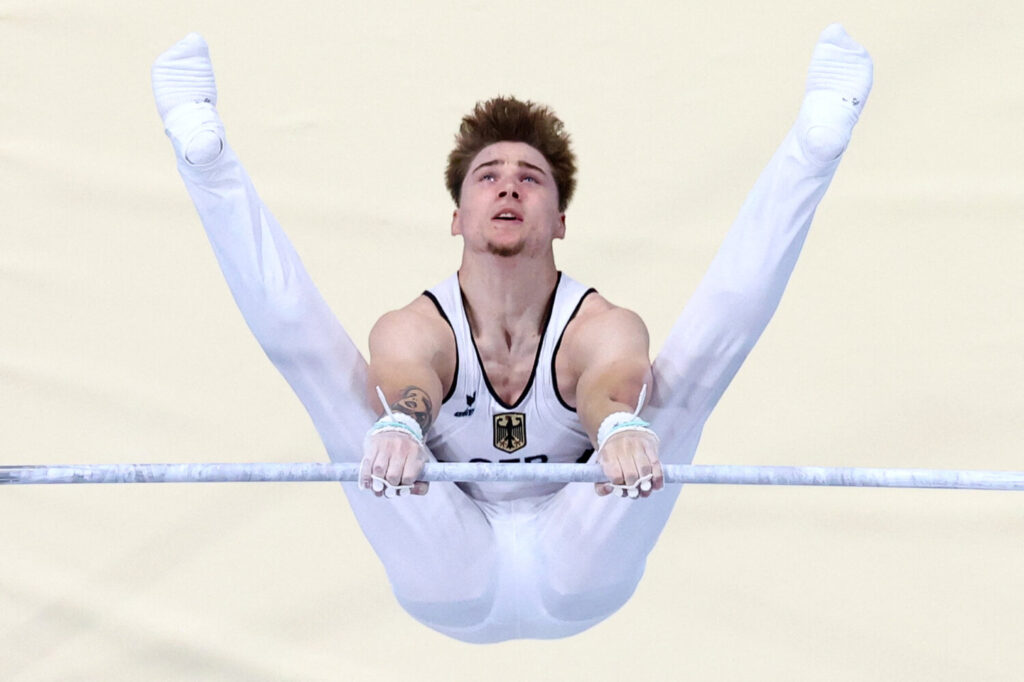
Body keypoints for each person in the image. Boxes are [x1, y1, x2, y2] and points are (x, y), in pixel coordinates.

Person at [151, 24, 872, 642]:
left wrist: (619, 425)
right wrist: (401, 424)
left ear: (559, 220)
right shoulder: (415, 326)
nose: (507, 186)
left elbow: (609, 378)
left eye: (530, 178)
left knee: (680, 389)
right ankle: (206, 162)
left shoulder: (600, 323)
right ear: (457, 216)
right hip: (446, 564)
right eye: (487, 176)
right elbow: (411, 378)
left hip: (580, 558)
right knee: (335, 388)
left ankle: (814, 148)